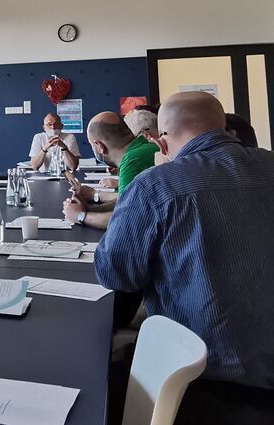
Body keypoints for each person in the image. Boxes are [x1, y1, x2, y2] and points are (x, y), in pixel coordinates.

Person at [95, 92, 274, 424]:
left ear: (162, 142)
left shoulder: (155, 186)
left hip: (205, 382)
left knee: (103, 376)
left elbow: (116, 275)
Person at [61, 112, 158, 230]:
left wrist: (80, 216)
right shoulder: (145, 146)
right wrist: (92, 200)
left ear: (99, 146)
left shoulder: (132, 161)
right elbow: (129, 202)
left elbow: (126, 220)